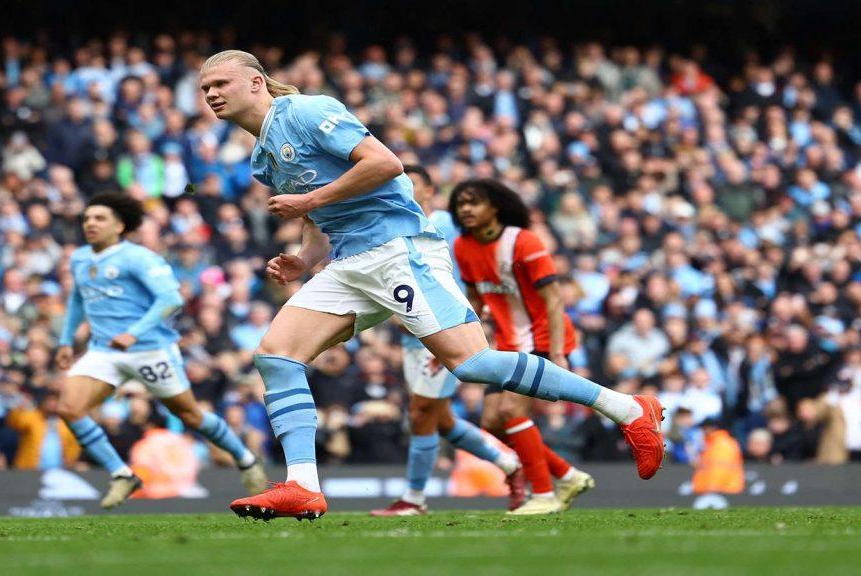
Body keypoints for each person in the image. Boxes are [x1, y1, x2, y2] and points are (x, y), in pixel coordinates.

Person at [199, 49, 662, 522]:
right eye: (205, 88)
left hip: (398, 249)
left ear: (256, 82)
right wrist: (303, 260)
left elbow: (385, 164)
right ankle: (302, 485)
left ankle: (627, 408)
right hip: (350, 262)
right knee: (276, 355)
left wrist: (309, 200)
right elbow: (318, 218)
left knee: (472, 364)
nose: (212, 94)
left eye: (221, 83)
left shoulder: (306, 111)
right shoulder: (261, 156)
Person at [54, 191, 266, 509]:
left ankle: (246, 459)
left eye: (100, 218)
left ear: (120, 225)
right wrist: (66, 340)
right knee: (70, 408)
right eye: (87, 218)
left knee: (190, 415)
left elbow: (171, 299)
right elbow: (77, 301)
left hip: (150, 349)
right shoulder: (80, 258)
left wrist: (133, 332)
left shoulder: (139, 258)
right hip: (105, 352)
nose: (90, 224)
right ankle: (122, 475)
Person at [370, 165, 522, 517]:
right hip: (411, 337)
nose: (404, 190)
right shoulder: (390, 224)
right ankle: (511, 465)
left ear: (430, 191)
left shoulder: (448, 224)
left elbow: (479, 259)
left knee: (421, 413)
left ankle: (413, 499)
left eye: (412, 185)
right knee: (441, 420)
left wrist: (472, 315)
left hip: (444, 331)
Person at [450, 178, 595, 515]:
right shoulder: (463, 246)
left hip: (542, 338)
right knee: (491, 422)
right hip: (506, 343)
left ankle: (544, 494)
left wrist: (557, 353)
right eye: (461, 204)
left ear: (495, 206)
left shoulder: (525, 242)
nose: (466, 209)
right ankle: (566, 474)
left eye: (474, 202)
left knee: (513, 412)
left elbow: (554, 298)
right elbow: (475, 299)